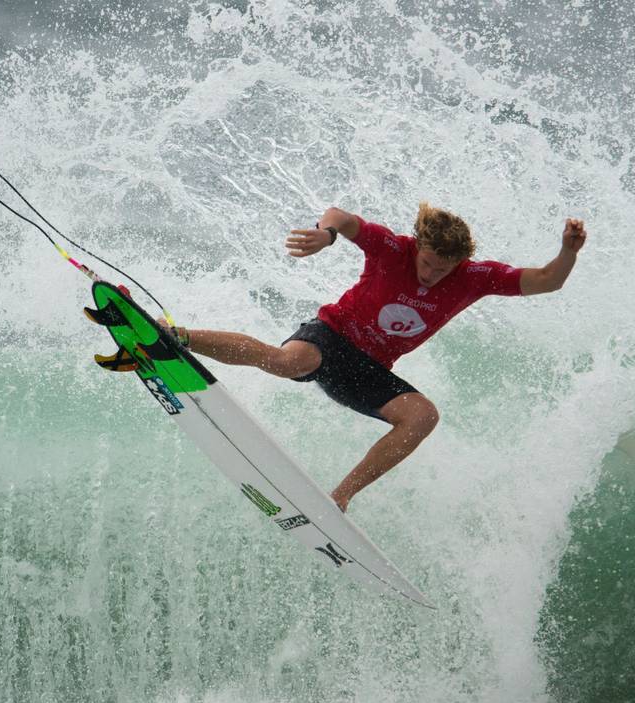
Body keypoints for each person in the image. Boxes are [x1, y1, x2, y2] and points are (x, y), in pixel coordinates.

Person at [168, 203, 587, 512]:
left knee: (423, 416)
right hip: (331, 336)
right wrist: (326, 235)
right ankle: (175, 336)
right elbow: (343, 218)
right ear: (418, 245)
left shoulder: (476, 278)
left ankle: (340, 497)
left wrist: (568, 250)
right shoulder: (392, 248)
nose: (431, 274)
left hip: (368, 371)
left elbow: (548, 281)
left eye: (443, 269)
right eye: (427, 263)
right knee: (288, 362)